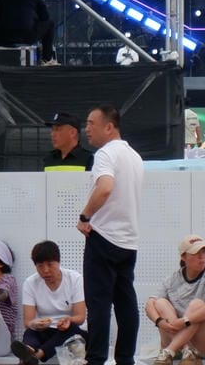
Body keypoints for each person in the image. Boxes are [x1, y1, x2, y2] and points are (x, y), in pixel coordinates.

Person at [79, 103, 147, 365]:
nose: (87, 129)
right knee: (125, 302)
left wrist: (85, 216)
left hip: (104, 237)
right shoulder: (134, 156)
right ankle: (125, 358)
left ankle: (96, 359)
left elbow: (105, 187)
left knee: (99, 304)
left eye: (91, 124)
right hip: (129, 240)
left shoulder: (105, 154)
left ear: (109, 127)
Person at [147, 235, 205, 365]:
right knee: (160, 303)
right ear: (183, 257)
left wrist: (184, 321)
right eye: (195, 253)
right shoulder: (172, 279)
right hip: (177, 338)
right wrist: (159, 322)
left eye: (204, 252)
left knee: (197, 304)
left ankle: (169, 351)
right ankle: (186, 351)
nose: (201, 257)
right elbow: (150, 305)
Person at [13, 240, 86, 364]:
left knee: (71, 328)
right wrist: (35, 324)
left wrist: (68, 320)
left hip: (71, 332)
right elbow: (28, 322)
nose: (46, 270)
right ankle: (30, 350)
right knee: (30, 331)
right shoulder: (30, 283)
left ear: (58, 262)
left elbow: (80, 317)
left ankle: (36, 355)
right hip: (46, 330)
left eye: (50, 264)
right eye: (40, 266)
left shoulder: (75, 279)